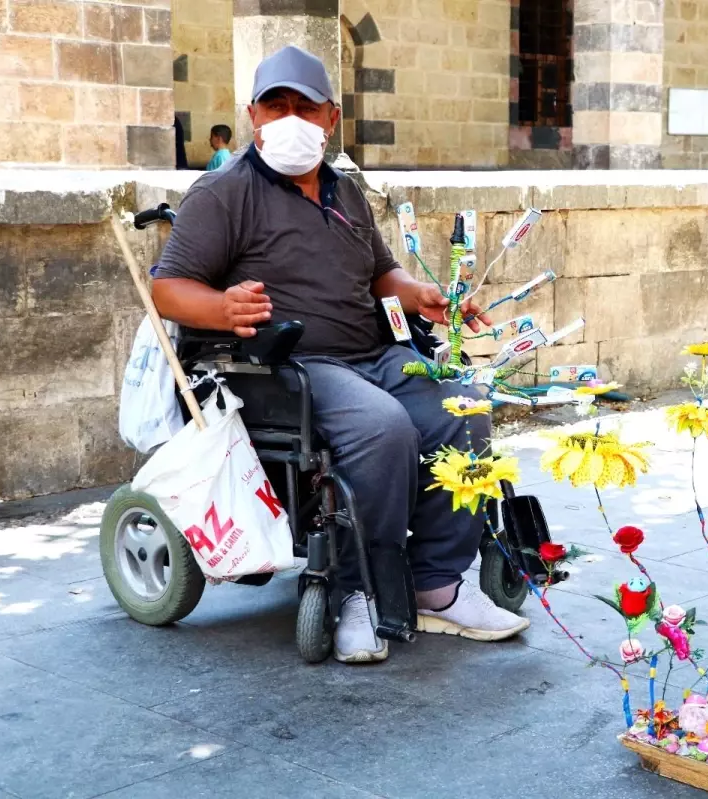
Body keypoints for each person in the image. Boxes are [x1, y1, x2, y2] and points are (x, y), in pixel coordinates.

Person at [150, 46, 530, 663]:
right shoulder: (223, 192)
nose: (291, 118)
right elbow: (169, 287)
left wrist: (420, 295)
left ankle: (436, 583)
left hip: (376, 352)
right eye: (277, 106)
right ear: (253, 115)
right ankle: (355, 592)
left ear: (331, 118)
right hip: (291, 368)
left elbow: (381, 271)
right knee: (383, 430)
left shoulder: (345, 190)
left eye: (307, 107)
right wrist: (222, 309)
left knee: (466, 408)